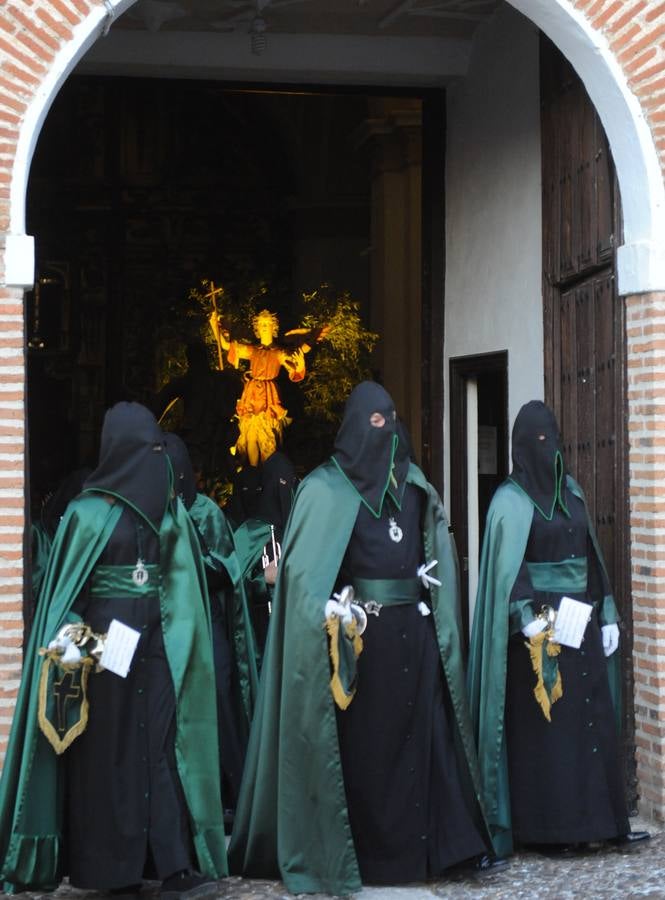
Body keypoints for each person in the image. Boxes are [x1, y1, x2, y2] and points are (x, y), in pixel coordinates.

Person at [229, 381, 493, 895]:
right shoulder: (325, 491)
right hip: (356, 648)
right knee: (364, 757)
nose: (385, 430)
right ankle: (367, 857)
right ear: (354, 426)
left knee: (425, 744)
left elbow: (430, 545)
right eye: (374, 421)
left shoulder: (414, 486)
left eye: (391, 420)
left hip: (413, 638)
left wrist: (430, 587)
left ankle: (437, 848)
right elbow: (306, 578)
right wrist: (332, 608)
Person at [0, 402, 225, 898]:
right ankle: (111, 869)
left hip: (160, 651)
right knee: (108, 756)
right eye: (147, 447)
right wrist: (77, 638)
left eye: (159, 448)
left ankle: (173, 864)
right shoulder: (85, 514)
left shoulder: (171, 515)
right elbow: (66, 594)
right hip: (104, 658)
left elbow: (184, 586)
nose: (157, 457)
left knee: (163, 750)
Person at [468, 400, 649, 857]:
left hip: (581, 625)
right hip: (540, 635)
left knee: (589, 728)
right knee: (550, 736)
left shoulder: (572, 492)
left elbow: (591, 553)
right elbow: (507, 570)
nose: (550, 450)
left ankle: (600, 821)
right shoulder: (509, 501)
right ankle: (552, 831)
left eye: (555, 439)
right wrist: (525, 616)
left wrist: (607, 610)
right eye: (540, 441)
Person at [163, 431, 258, 813]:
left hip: (208, 624)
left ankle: (227, 797)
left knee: (217, 702)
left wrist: (185, 561)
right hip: (169, 626)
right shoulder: (150, 511)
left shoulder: (204, 511)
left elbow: (227, 567)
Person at [215, 308, 325, 466]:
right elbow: (227, 346)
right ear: (257, 328)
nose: (264, 325)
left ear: (274, 327)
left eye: (267, 323)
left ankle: (268, 472)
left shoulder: (279, 352)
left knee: (267, 436)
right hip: (251, 395)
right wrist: (214, 325)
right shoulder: (252, 350)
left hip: (268, 396)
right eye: (261, 323)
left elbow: (295, 362)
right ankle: (251, 472)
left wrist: (300, 365)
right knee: (250, 435)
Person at [233, 450, 298, 655]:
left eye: (288, 482)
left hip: (296, 629)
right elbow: (233, 585)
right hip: (260, 634)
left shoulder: (299, 528)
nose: (283, 490)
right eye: (278, 483)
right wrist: (263, 579)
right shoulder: (249, 534)